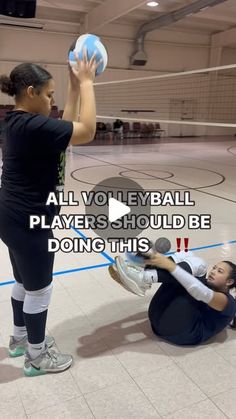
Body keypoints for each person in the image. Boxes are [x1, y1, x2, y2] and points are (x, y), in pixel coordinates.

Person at [0, 49, 99, 376]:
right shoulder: (29, 126)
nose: (51, 101)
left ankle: (18, 339)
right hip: (29, 220)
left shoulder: (18, 121)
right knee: (40, 288)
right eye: (49, 95)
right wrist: (86, 82)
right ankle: (37, 356)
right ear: (31, 93)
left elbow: (64, 126)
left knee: (22, 280)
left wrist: (71, 86)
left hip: (11, 215)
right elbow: (85, 130)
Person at [109, 250, 236, 345]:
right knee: (189, 256)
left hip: (181, 332)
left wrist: (169, 264)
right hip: (157, 319)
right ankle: (144, 270)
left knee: (199, 266)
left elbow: (200, 292)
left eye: (220, 271)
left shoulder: (228, 303)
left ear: (229, 282)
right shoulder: (208, 284)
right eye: (215, 268)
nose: (213, 271)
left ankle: (144, 277)